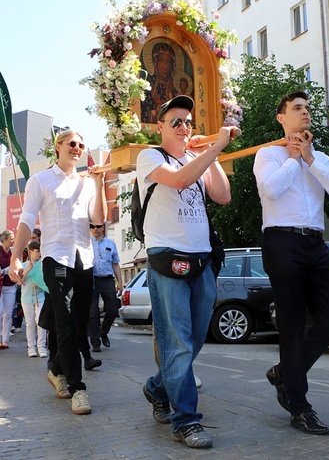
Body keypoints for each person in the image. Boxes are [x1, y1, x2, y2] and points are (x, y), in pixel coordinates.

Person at [137, 95, 233, 449]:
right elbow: (177, 181)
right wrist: (212, 149)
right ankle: (185, 421)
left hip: (201, 258)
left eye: (188, 122)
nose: (184, 127)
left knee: (191, 341)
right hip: (167, 257)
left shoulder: (198, 158)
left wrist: (213, 153)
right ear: (160, 127)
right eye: (175, 122)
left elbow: (223, 195)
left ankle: (156, 387)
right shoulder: (149, 156)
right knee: (176, 342)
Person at [253, 90, 329, 435]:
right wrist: (293, 159)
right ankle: (300, 406)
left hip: (315, 243)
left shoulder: (319, 158)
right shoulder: (268, 154)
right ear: (282, 117)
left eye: (308, 108)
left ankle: (284, 372)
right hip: (282, 241)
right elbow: (270, 191)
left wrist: (309, 159)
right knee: (292, 325)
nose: (305, 112)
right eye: (297, 108)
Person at [9, 129, 105, 416]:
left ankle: (55, 369)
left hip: (84, 258)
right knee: (64, 321)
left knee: (79, 321)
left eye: (81, 145)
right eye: (72, 144)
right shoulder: (40, 180)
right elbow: (27, 219)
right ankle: (78, 389)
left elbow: (98, 220)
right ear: (58, 147)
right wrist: (16, 256)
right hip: (55, 257)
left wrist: (99, 185)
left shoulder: (87, 183)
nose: (77, 148)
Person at [88, 222, 123, 353]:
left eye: (98, 226)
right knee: (92, 312)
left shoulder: (110, 243)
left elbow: (115, 264)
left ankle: (103, 332)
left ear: (103, 227)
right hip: (91, 279)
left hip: (107, 279)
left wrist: (120, 282)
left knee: (113, 309)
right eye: (92, 227)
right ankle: (95, 342)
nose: (95, 229)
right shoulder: (86, 244)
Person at [20, 241, 48, 358]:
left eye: (40, 251)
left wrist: (39, 284)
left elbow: (46, 281)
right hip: (26, 298)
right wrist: (27, 270)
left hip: (39, 296)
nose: (39, 254)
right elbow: (19, 281)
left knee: (40, 322)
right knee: (30, 323)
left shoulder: (43, 265)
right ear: (30, 251)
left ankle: (41, 346)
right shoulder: (23, 265)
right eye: (37, 251)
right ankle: (31, 347)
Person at [141, 42, 180, 124]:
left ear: (173, 65)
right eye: (161, 60)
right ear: (155, 62)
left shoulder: (176, 87)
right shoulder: (147, 85)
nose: (165, 66)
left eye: (168, 61)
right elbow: (142, 111)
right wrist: (155, 112)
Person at [0, 230, 16, 350]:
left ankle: (5, 340)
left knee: (8, 314)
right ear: (4, 239)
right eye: (11, 238)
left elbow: (16, 265)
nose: (13, 240)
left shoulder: (13, 252)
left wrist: (4, 270)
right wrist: (6, 270)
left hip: (10, 285)